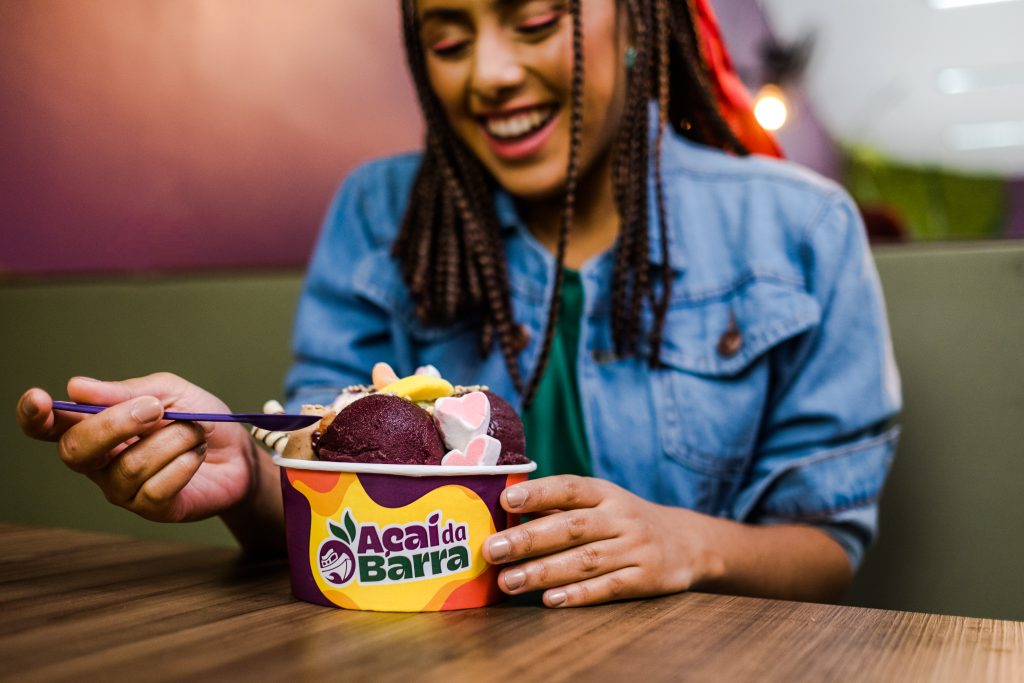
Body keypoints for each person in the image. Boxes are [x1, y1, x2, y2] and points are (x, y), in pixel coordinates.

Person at [16, 0, 900, 608]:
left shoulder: (801, 229)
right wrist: (244, 478)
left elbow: (824, 550)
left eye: (537, 21)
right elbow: (332, 498)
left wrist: (685, 543)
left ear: (639, 15)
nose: (489, 74)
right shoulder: (379, 217)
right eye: (447, 40)